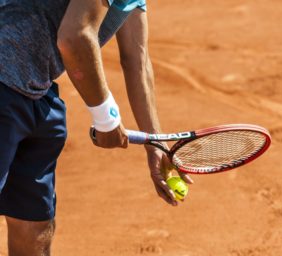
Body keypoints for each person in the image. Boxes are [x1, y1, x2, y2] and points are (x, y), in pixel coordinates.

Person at [0, 0, 193, 255]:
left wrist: (155, 144)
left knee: (34, 225)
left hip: (37, 95)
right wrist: (107, 118)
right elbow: (75, 37)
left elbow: (138, 59)